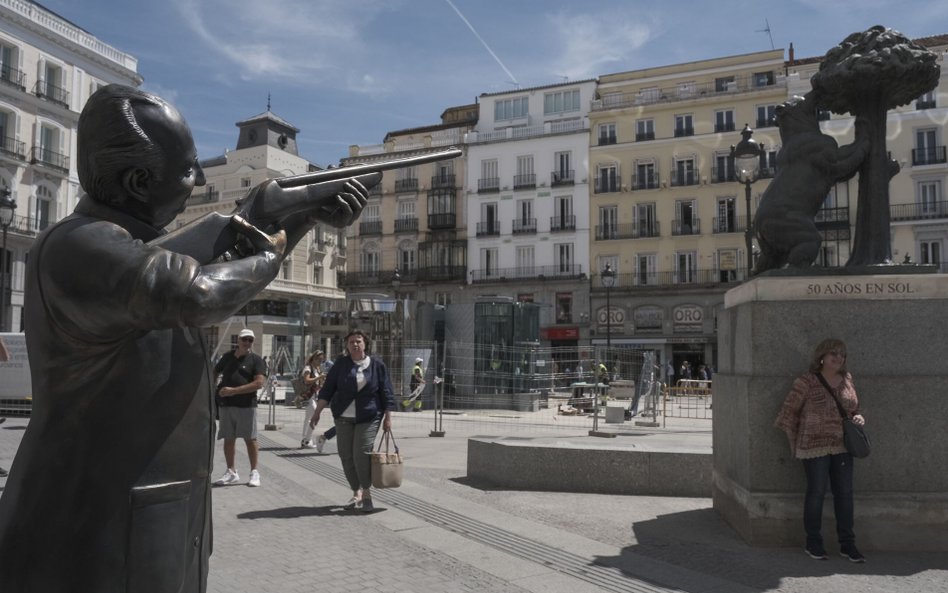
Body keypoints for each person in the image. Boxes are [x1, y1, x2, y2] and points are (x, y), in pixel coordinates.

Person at [0, 84, 371, 592]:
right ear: (137, 180)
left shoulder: (135, 248)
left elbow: (215, 277)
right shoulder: (80, 244)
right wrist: (264, 252)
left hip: (153, 519)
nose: (197, 179)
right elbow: (197, 291)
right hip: (93, 528)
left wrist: (300, 215)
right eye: (187, 168)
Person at [774, 338, 867, 563]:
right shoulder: (806, 381)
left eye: (842, 354)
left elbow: (854, 408)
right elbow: (788, 412)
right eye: (833, 353)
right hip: (813, 447)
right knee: (815, 494)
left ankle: (847, 544)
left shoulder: (847, 379)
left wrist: (859, 416)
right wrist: (795, 441)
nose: (838, 357)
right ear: (822, 356)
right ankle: (813, 542)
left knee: (844, 495)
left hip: (842, 446)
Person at [311, 330, 394, 512]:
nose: (355, 344)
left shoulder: (377, 365)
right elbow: (327, 390)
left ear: (365, 343)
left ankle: (366, 493)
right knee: (346, 455)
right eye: (351, 342)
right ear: (347, 346)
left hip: (369, 416)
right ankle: (355, 492)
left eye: (358, 341)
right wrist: (317, 412)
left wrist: (388, 417)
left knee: (361, 454)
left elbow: (386, 393)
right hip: (343, 417)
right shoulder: (341, 364)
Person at [214, 329, 267, 487]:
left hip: (246, 406)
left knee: (250, 439)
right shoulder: (227, 357)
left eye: (250, 340)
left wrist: (233, 391)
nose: (247, 342)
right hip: (226, 406)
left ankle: (254, 473)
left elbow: (259, 383)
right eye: (245, 339)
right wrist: (213, 387)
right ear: (238, 339)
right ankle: (231, 472)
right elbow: (215, 370)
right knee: (228, 439)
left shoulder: (256, 360)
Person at [299, 350, 336, 449]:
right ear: (313, 359)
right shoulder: (308, 368)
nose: (320, 361)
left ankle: (305, 439)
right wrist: (319, 377)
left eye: (322, 360)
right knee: (315, 416)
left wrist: (322, 380)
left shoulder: (317, 368)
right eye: (318, 359)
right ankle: (307, 440)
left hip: (315, 396)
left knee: (308, 419)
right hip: (309, 396)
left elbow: (318, 383)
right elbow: (307, 380)